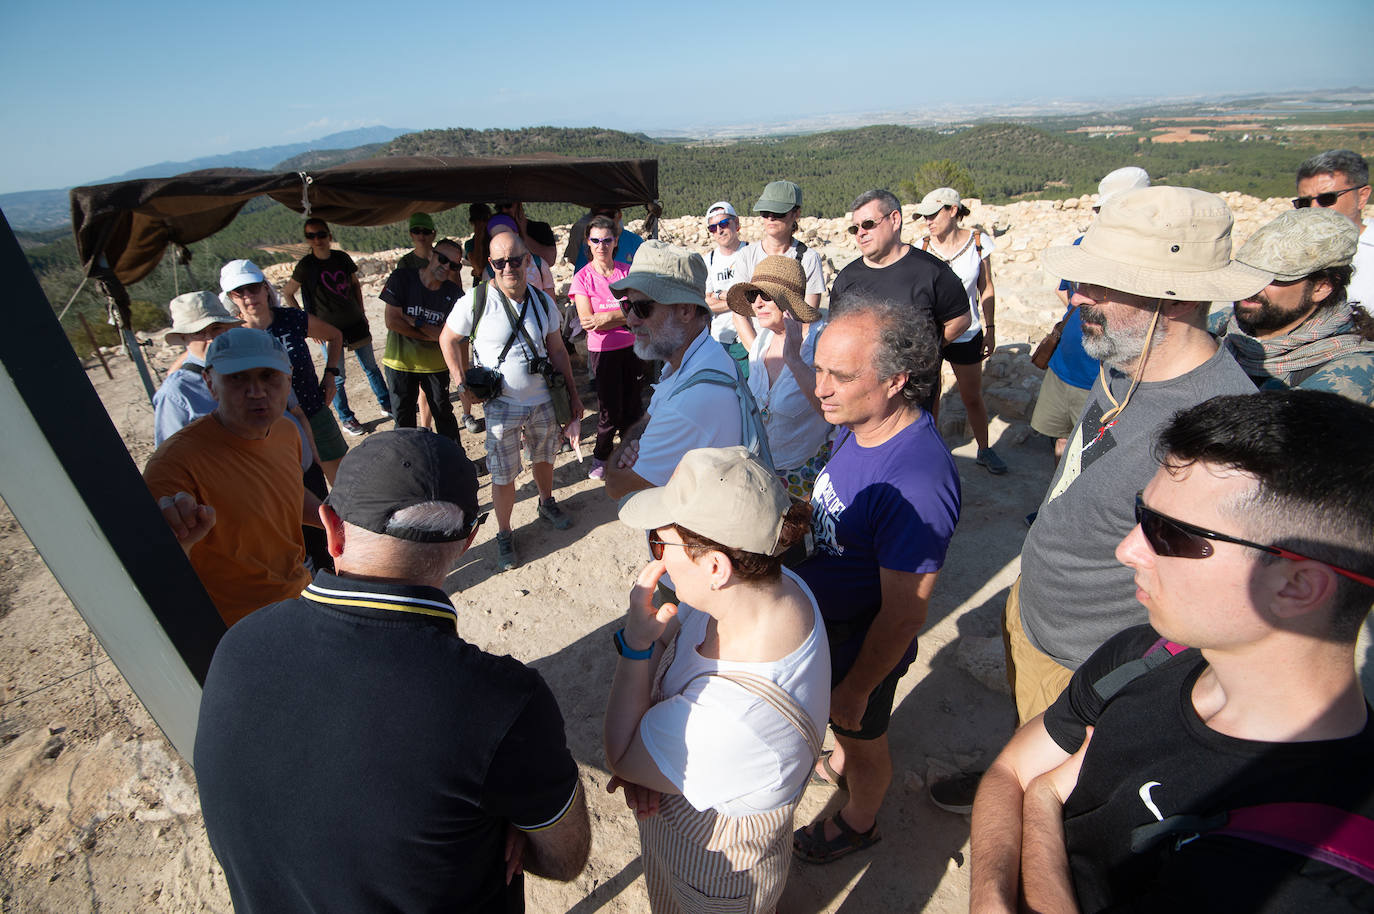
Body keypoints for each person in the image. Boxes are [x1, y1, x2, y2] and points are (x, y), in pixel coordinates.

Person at [970, 389, 1374, 914]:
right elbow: (1010, 774)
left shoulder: (1317, 866)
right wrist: (991, 899)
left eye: (1170, 533)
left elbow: (1030, 784)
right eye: (1143, 514)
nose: (1127, 549)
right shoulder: (1145, 654)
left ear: (1297, 586)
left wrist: (1045, 802)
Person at [196, 429, 590, 913]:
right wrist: (504, 819)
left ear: (332, 528)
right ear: (468, 540)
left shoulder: (239, 644)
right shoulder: (503, 702)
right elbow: (566, 858)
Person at [1006, 186, 1271, 726]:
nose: (1078, 297)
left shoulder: (1216, 438)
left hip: (1087, 670)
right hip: (1035, 615)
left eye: (1101, 283)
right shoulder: (1125, 356)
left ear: (1174, 298)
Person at [604, 446, 830, 912]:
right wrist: (663, 763)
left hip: (716, 879)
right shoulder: (778, 585)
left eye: (658, 543)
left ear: (715, 568)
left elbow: (623, 753)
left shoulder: (731, 722)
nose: (658, 560)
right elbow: (683, 634)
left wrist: (637, 646)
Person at [790, 298, 961, 864]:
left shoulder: (916, 480)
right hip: (828, 622)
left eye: (840, 375)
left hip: (860, 643)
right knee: (846, 733)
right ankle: (840, 756)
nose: (821, 388)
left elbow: (906, 613)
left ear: (895, 381)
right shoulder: (858, 423)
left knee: (863, 735)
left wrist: (857, 686)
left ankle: (858, 820)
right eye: (819, 369)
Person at [144, 328, 316, 626]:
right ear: (210, 384)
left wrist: (342, 522)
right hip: (237, 625)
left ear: (288, 380)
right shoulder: (173, 466)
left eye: (268, 376)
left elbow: (288, 493)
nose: (257, 392)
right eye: (237, 378)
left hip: (300, 597)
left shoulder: (285, 431)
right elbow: (159, 572)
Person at [440, 231, 584, 572]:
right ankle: (504, 532)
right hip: (501, 404)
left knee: (545, 456)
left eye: (515, 260)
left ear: (528, 260)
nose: (509, 268)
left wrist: (574, 397)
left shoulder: (542, 301)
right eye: (500, 262)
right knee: (503, 474)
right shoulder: (475, 302)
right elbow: (448, 338)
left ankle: (546, 501)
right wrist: (461, 383)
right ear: (490, 264)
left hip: (543, 398)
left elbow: (558, 350)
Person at [601, 241, 771, 500]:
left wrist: (616, 461)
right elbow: (646, 421)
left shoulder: (692, 400)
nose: (631, 320)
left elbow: (616, 486)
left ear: (685, 310)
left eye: (642, 308)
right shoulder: (701, 359)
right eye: (627, 306)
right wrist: (634, 438)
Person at [1031, 167, 1148, 463]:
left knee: (1089, 458)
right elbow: (1066, 292)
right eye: (1100, 211)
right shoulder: (1083, 245)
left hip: (1100, 379)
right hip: (1063, 367)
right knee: (1061, 443)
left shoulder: (1146, 260)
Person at [828, 189, 971, 410]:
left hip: (913, 402)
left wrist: (923, 351)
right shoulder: (846, 279)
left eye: (868, 224)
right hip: (861, 402)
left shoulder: (933, 272)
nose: (860, 234)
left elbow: (960, 320)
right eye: (854, 228)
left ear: (895, 219)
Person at [1219, 207, 1374, 402]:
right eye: (1247, 272)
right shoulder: (1221, 323)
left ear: (1322, 287)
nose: (1252, 286)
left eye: (1271, 277)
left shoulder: (1356, 370)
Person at [221, 259, 349, 482]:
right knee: (299, 491)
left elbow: (335, 335)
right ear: (231, 298)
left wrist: (331, 375)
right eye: (239, 292)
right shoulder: (231, 336)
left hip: (314, 410)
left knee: (345, 482)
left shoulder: (291, 319)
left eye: (253, 288)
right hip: (270, 428)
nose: (248, 296)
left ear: (264, 288)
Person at [915, 186, 1006, 474]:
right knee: (931, 395)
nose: (928, 221)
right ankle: (932, 452)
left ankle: (984, 448)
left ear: (953, 210)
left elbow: (985, 287)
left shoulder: (978, 242)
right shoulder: (922, 247)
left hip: (967, 332)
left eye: (933, 214)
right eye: (924, 216)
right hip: (932, 333)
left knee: (971, 395)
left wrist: (990, 328)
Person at [727, 255, 831, 498]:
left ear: (789, 301)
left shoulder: (820, 342)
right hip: (761, 467)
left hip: (803, 476)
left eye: (766, 295)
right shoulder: (763, 338)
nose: (757, 304)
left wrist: (794, 360)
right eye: (753, 296)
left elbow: (832, 410)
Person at [282, 218, 390, 435]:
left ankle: (387, 404)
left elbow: (354, 285)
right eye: (312, 236)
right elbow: (287, 293)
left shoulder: (341, 258)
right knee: (337, 376)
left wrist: (361, 311)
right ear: (307, 240)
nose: (317, 240)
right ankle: (347, 418)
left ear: (329, 236)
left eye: (321, 234)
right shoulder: (306, 266)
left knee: (371, 367)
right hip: (328, 331)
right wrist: (307, 324)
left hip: (355, 322)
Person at [569, 215, 643, 480]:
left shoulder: (627, 272)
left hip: (632, 348)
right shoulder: (583, 278)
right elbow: (589, 321)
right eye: (595, 240)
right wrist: (623, 314)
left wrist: (608, 317)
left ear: (615, 242)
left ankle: (630, 453)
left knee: (633, 406)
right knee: (609, 409)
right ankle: (600, 456)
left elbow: (639, 311)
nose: (601, 245)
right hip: (603, 351)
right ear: (588, 243)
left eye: (607, 240)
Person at [379, 237, 464, 444]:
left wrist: (415, 322)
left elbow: (448, 336)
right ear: (431, 255)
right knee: (403, 420)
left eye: (453, 265)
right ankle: (408, 467)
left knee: (444, 415)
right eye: (442, 259)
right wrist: (432, 334)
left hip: (435, 366)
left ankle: (456, 464)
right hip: (400, 363)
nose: (446, 267)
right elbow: (392, 322)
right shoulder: (401, 278)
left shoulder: (454, 295)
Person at [153, 291, 241, 446]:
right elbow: (172, 457)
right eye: (198, 333)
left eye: (216, 328)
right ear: (183, 338)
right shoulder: (176, 393)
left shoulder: (248, 367)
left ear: (229, 328)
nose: (211, 339)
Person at [732, 181, 825, 315]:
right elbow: (739, 312)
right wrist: (755, 337)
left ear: (796, 214)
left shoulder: (809, 259)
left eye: (778, 213)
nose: (770, 218)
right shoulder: (746, 255)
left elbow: (809, 315)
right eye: (765, 212)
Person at [1295, 149, 1372, 307]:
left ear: (1362, 196)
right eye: (1304, 202)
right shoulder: (1287, 251)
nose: (1313, 209)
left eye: (1326, 199)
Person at [701, 201, 752, 377]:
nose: (719, 231)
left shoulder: (751, 253)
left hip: (752, 337)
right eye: (713, 228)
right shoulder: (710, 260)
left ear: (736, 224)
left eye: (723, 224)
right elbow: (707, 302)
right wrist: (738, 300)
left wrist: (720, 296)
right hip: (721, 339)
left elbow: (755, 297)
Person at [567, 205, 644, 270]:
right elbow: (581, 274)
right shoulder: (589, 245)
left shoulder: (636, 242)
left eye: (609, 214)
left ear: (619, 215)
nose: (605, 219)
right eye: (599, 215)